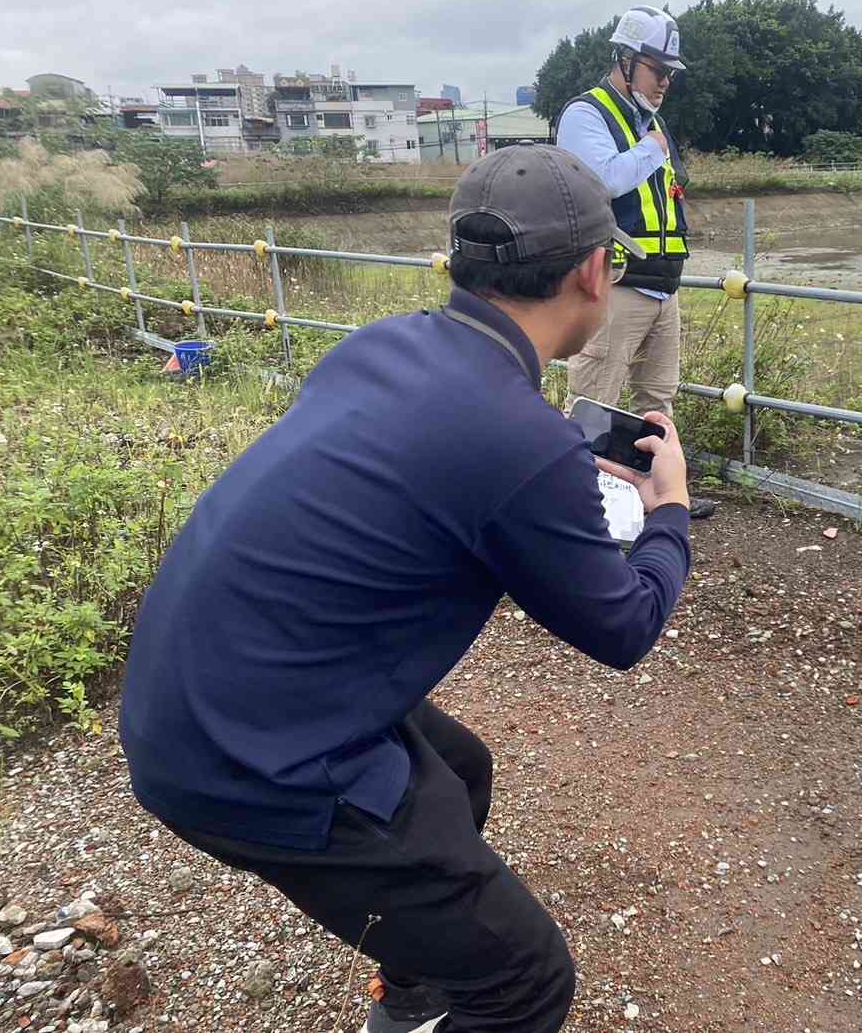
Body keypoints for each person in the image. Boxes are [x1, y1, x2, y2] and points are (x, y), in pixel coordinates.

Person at [119, 145, 694, 1033]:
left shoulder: (386, 345)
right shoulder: (519, 440)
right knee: (527, 982)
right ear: (592, 272)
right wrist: (670, 511)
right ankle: (453, 987)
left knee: (458, 769)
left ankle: (414, 988)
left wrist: (546, 477)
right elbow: (625, 628)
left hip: (190, 693)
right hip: (249, 757)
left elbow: (433, 470)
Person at [554, 4, 715, 519]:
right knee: (594, 400)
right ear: (624, 60)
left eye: (670, 72)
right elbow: (600, 181)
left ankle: (663, 500)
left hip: (661, 286)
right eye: (657, 69)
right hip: (616, 284)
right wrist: (652, 148)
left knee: (657, 403)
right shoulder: (587, 114)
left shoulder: (650, 120)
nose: (666, 81)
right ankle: (572, 507)